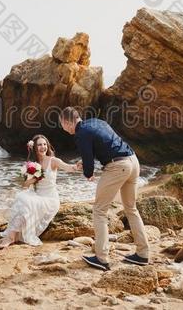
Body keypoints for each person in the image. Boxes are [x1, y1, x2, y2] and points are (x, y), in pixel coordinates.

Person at [59, 107, 150, 271]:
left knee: (99, 211)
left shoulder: (81, 134)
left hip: (118, 166)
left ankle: (101, 258)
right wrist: (86, 163)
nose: (63, 129)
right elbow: (103, 144)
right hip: (132, 160)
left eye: (62, 125)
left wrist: (88, 173)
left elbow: (89, 161)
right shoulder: (96, 122)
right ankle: (143, 254)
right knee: (131, 208)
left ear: (67, 122)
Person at [0, 134, 77, 249]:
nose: (43, 147)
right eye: (39, 145)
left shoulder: (53, 161)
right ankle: (11, 236)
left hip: (50, 198)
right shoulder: (32, 164)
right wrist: (35, 177)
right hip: (36, 195)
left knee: (27, 203)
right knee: (22, 199)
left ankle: (11, 237)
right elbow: (25, 185)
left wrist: (76, 166)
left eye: (45, 144)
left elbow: (68, 167)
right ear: (34, 147)